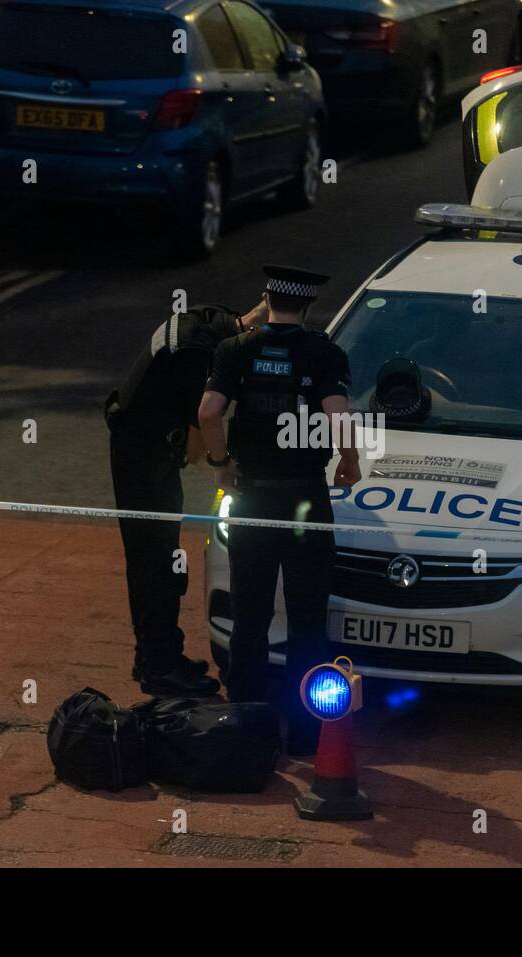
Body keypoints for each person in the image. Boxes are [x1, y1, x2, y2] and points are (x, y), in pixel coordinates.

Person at [197, 265, 361, 755]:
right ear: (308, 306)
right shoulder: (322, 353)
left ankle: (247, 729)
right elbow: (339, 415)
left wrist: (221, 465)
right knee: (308, 618)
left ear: (267, 299)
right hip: (305, 500)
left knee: (251, 616)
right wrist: (348, 462)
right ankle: (309, 735)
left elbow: (208, 412)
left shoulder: (235, 350)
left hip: (252, 498)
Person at [106, 300, 266, 696]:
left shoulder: (206, 321)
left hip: (143, 448)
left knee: (160, 563)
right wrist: (226, 464)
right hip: (145, 460)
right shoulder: (200, 357)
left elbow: (258, 313)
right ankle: (159, 667)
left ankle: (159, 656)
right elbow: (198, 447)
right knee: (155, 566)